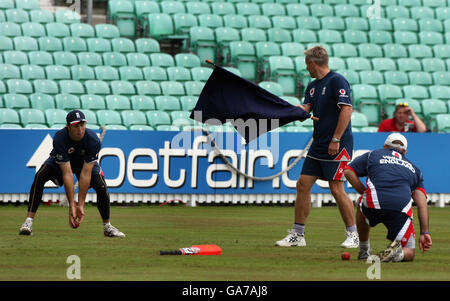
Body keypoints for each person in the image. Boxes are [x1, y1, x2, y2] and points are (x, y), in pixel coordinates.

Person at [275, 46, 359, 248]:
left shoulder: (336, 81)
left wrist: (336, 139)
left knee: (336, 188)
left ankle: (354, 235)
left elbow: (346, 110)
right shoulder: (312, 86)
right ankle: (298, 235)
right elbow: (307, 108)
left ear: (313, 63)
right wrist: (290, 109)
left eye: (307, 64)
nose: (307, 68)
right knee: (303, 184)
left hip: (338, 144)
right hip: (319, 143)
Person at [19, 110, 125, 237]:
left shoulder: (93, 140)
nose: (80, 129)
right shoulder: (59, 138)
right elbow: (67, 173)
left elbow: (85, 174)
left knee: (101, 185)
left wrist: (80, 204)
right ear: (68, 127)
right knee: (40, 176)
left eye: (82, 125)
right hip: (62, 163)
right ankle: (28, 222)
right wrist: (71, 206)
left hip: (83, 164)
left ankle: (107, 226)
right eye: (76, 126)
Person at [344, 133, 432, 262]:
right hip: (400, 210)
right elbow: (422, 203)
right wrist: (425, 232)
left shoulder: (372, 155)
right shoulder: (415, 170)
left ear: (385, 146)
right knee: (409, 252)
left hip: (373, 203)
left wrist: (363, 192)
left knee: (362, 202)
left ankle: (364, 250)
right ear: (405, 152)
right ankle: (396, 253)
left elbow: (348, 171)